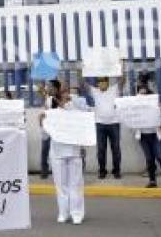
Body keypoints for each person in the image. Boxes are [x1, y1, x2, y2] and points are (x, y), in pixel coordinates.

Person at [42, 87, 89, 225]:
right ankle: (63, 212)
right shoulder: (51, 111)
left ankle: (77, 213)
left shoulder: (76, 107)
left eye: (66, 92)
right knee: (61, 185)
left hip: (74, 151)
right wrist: (43, 121)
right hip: (57, 152)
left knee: (75, 184)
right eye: (62, 93)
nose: (65, 95)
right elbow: (45, 135)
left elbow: (85, 123)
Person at [81, 76, 124, 180]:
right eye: (99, 82)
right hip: (100, 124)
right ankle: (102, 171)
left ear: (107, 82)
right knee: (101, 149)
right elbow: (83, 84)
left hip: (114, 124)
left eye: (103, 81)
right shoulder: (94, 91)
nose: (101, 83)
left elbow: (122, 80)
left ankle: (116, 170)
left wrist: (120, 67)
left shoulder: (114, 89)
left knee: (116, 149)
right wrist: (83, 70)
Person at [135, 85, 161, 189]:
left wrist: (159, 108)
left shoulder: (156, 105)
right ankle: (152, 180)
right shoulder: (135, 107)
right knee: (149, 159)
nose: (143, 96)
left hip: (155, 135)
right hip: (143, 136)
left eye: (145, 94)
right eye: (141, 94)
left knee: (160, 157)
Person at [36, 79, 61, 179]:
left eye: (50, 86)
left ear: (55, 88)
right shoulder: (48, 98)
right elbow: (46, 110)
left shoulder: (61, 99)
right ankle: (44, 171)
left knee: (57, 151)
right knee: (45, 150)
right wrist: (42, 117)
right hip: (47, 129)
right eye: (48, 86)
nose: (48, 88)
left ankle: (57, 170)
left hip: (58, 129)